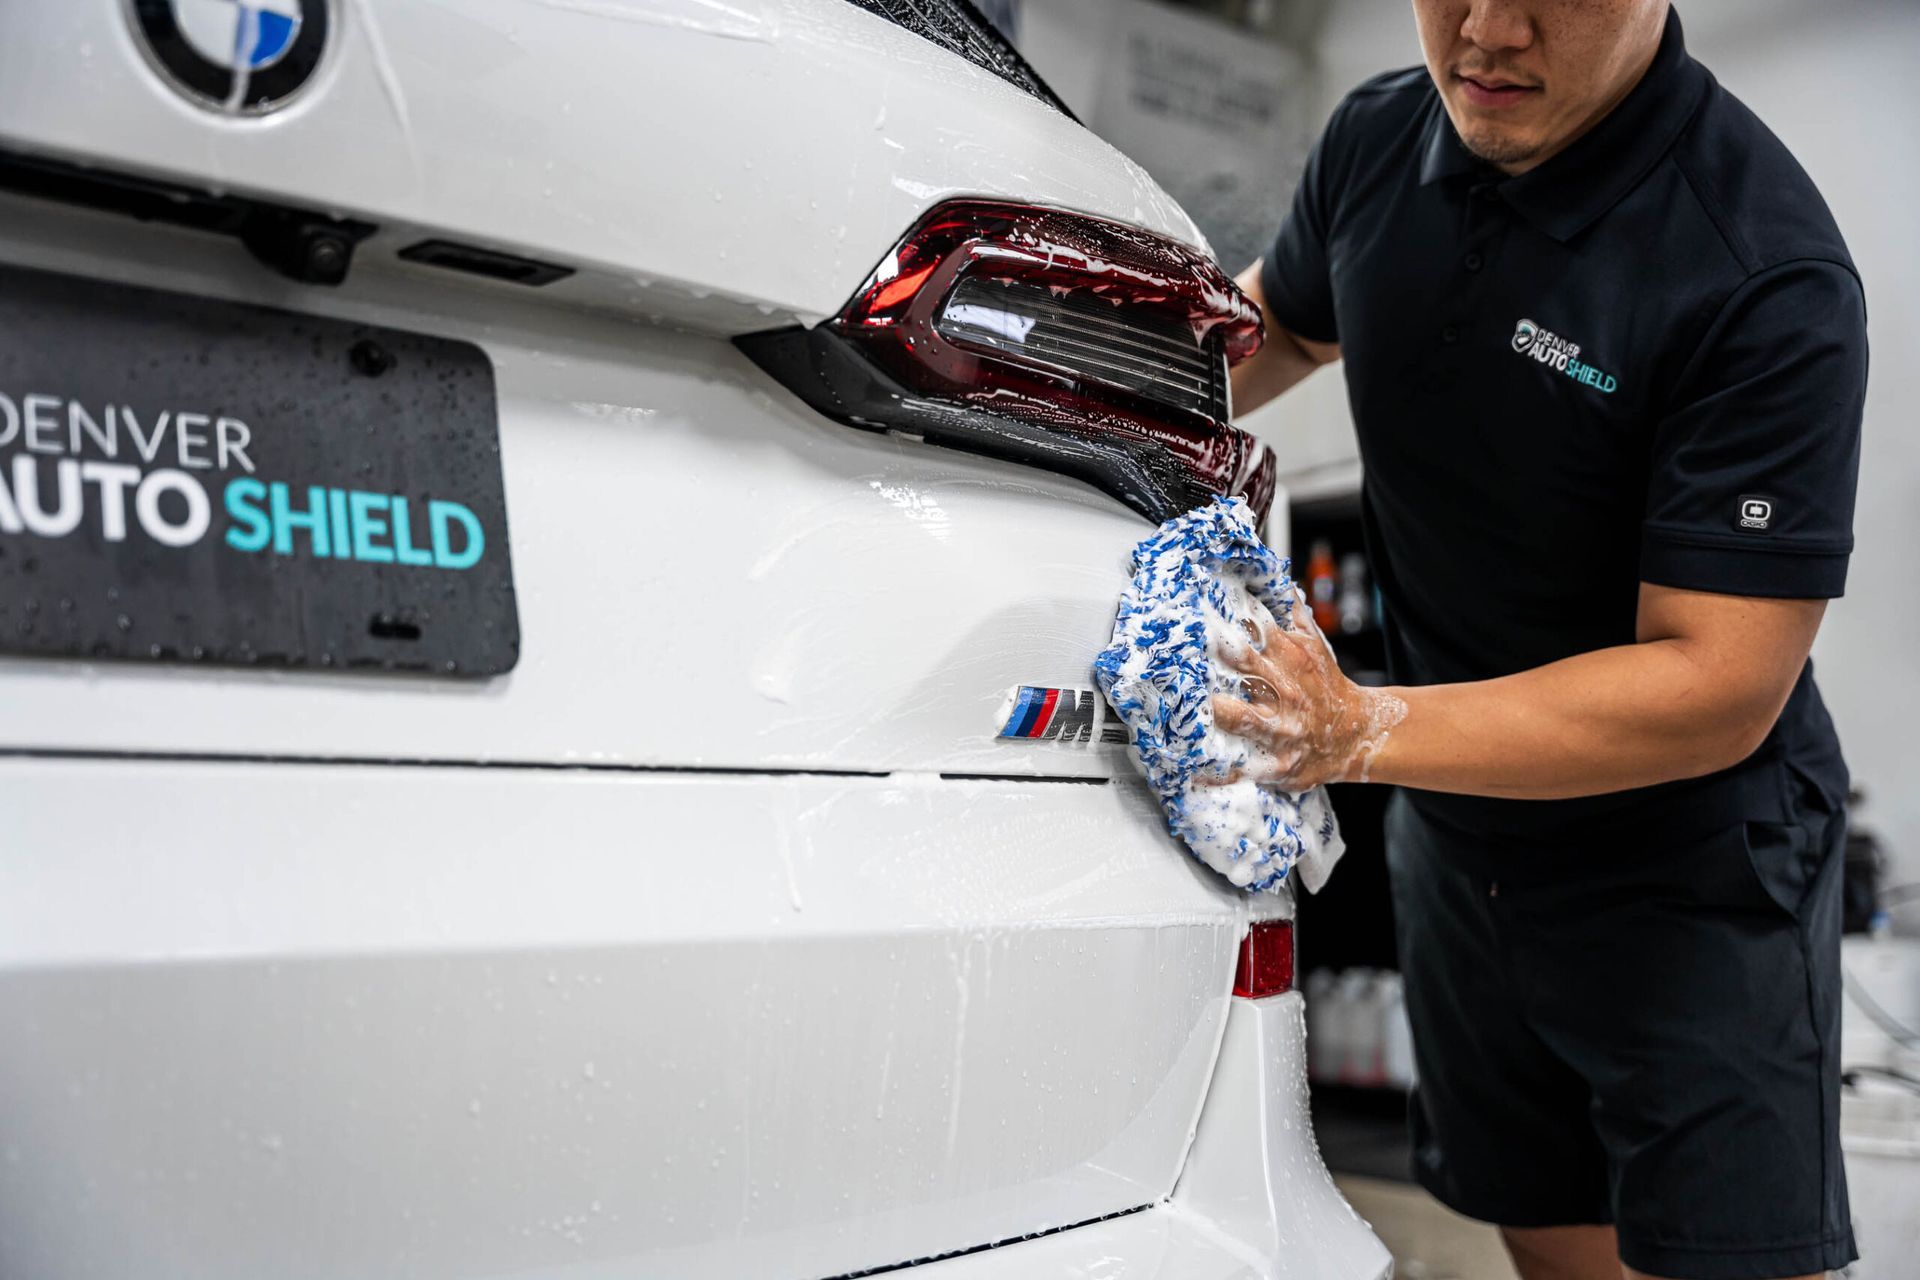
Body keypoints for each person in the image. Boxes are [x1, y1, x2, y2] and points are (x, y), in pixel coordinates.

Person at [1219, 3, 1867, 1278]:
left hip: (1685, 865)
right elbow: (1286, 325)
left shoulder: (1759, 266)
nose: (1488, 31)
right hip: (1463, 834)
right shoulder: (1373, 143)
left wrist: (1360, 728)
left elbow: (1716, 681)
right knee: (1552, 1235)